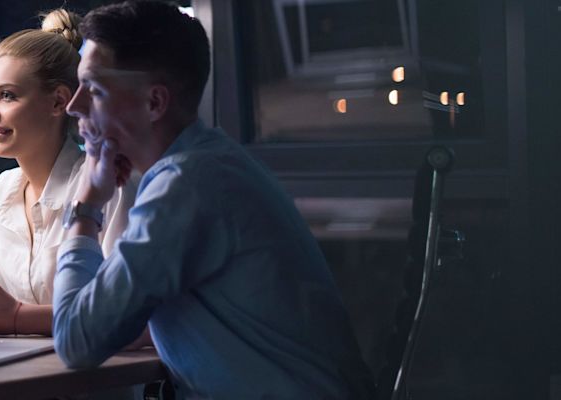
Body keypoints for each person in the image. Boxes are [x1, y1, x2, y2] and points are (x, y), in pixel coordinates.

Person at [51, 1, 374, 398]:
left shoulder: (184, 186)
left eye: (95, 89)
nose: (74, 105)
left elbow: (75, 340)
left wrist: (86, 208)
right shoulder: (208, 165)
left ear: (154, 102)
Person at [0, 9, 136, 336]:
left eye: (7, 95)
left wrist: (14, 316)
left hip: (90, 383)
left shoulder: (109, 183)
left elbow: (122, 312)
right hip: (20, 379)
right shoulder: (6, 188)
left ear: (59, 102)